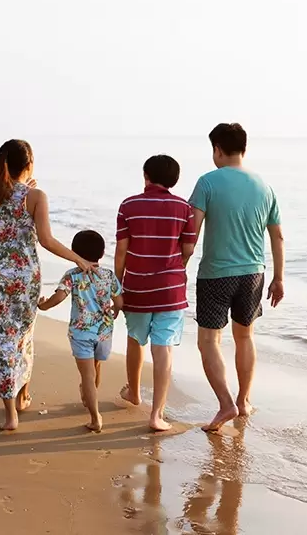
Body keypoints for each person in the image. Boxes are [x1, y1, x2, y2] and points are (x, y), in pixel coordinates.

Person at [0, 139, 96, 431]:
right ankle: (22, 396)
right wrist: (78, 258)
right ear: (28, 165)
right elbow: (46, 240)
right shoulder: (36, 196)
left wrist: (26, 186)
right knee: (21, 337)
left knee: (1, 341)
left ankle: (11, 413)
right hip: (23, 279)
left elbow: (7, 204)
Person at [189, 123, 285, 432]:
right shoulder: (264, 186)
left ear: (217, 149)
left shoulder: (207, 183)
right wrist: (278, 278)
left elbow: (192, 234)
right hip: (254, 274)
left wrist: (178, 264)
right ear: (243, 149)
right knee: (245, 337)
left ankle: (225, 403)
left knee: (208, 341)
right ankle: (243, 401)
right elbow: (278, 237)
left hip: (216, 274)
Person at [115, 154, 197, 431]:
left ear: (145, 176)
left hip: (137, 287)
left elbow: (122, 250)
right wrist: (175, 268)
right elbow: (188, 249)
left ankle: (135, 392)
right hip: (171, 291)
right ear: (174, 180)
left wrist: (117, 285)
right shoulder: (184, 208)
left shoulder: (129, 206)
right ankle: (157, 415)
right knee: (163, 348)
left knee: (135, 339)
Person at [37, 230, 123, 432]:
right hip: (104, 333)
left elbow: (58, 298)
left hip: (81, 333)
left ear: (74, 252)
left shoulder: (72, 276)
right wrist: (116, 310)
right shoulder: (108, 276)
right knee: (96, 367)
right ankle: (88, 397)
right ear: (102, 254)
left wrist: (43, 306)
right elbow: (119, 301)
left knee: (86, 376)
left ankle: (95, 417)